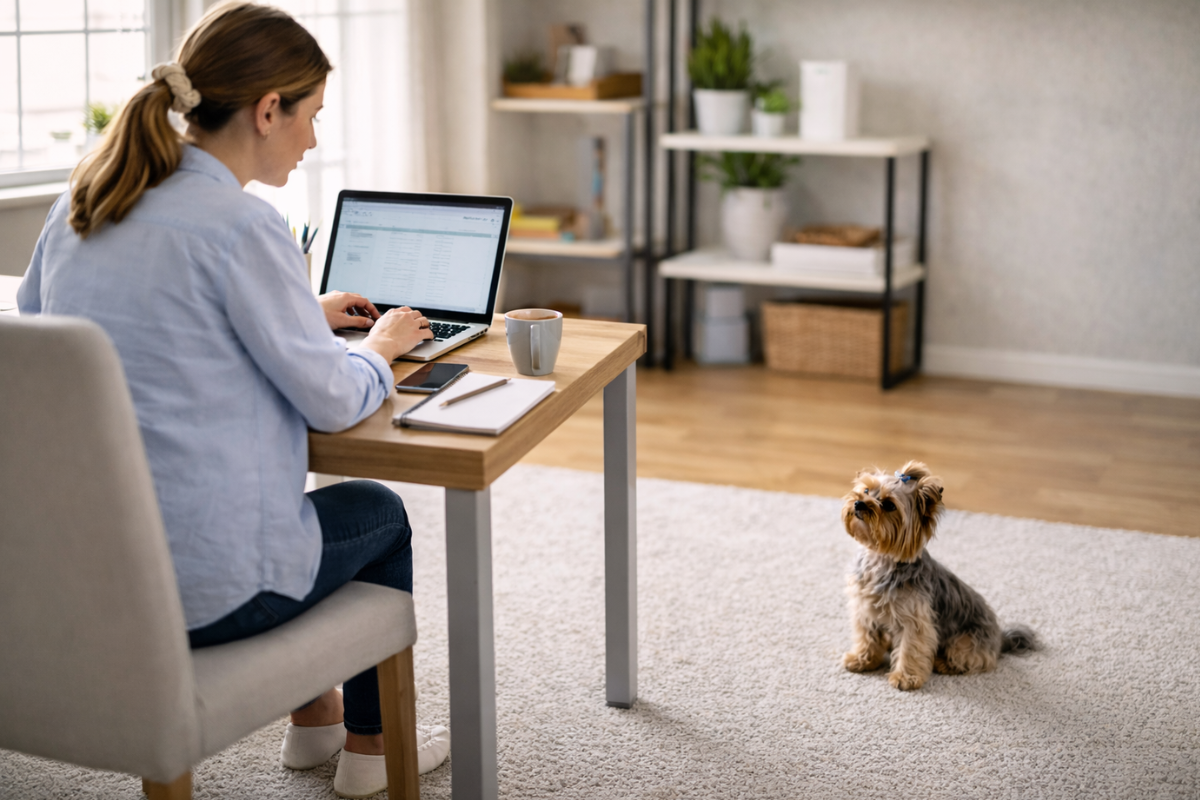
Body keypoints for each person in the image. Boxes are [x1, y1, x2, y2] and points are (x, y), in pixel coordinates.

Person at [16, 2, 448, 796]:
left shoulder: (80, 204)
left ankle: (314, 722)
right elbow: (331, 400)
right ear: (267, 109)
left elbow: (55, 348)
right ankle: (368, 751)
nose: (313, 139)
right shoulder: (244, 227)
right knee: (379, 514)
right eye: (310, 116)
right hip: (206, 597)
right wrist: (383, 349)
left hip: (87, 583)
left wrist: (292, 316)